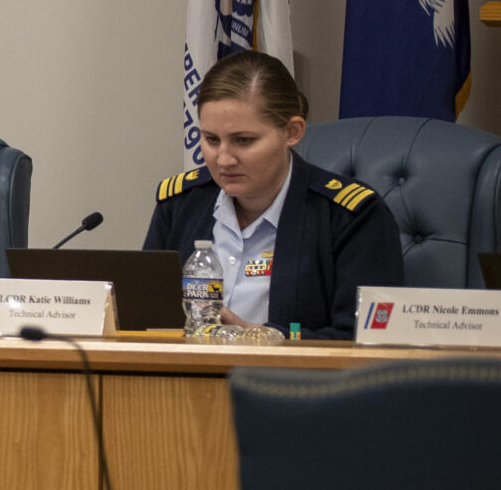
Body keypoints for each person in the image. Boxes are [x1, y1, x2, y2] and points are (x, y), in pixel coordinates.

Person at [144, 50, 403, 339]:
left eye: (244, 140)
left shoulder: (350, 216)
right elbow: (141, 317)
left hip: (295, 382)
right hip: (178, 379)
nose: (224, 159)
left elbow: (366, 339)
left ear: (292, 132)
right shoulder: (180, 204)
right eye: (211, 140)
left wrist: (266, 337)